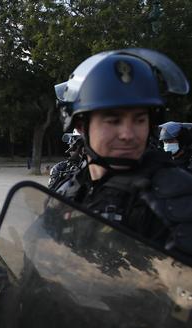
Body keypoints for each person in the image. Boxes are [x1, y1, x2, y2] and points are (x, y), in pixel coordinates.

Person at [55, 48, 192, 260]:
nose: (128, 134)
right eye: (113, 121)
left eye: (139, 120)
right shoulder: (71, 189)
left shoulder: (178, 197)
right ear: (82, 126)